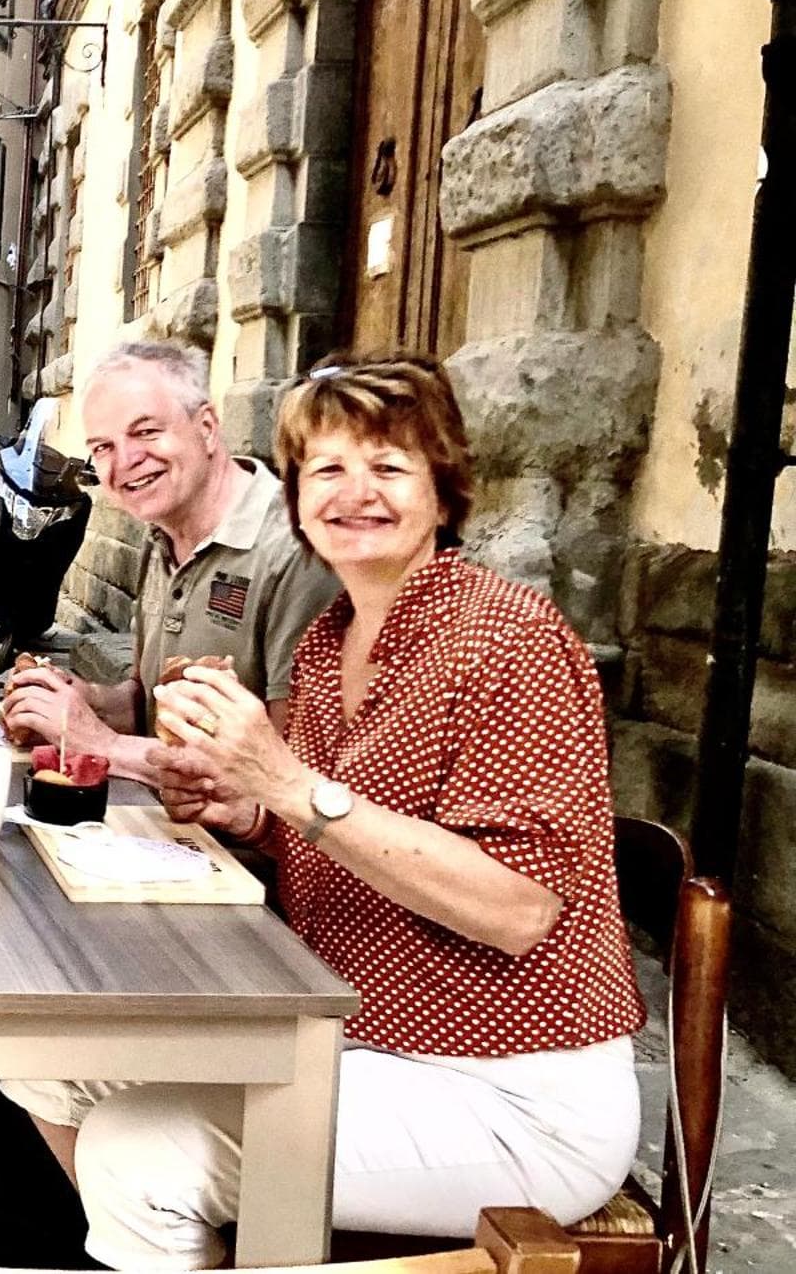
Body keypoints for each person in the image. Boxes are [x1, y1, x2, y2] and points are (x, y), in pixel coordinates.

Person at [57, 354, 647, 1270]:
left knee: (137, 1152)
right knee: (61, 1063)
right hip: (353, 1032)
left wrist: (286, 784)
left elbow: (519, 909)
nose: (354, 492)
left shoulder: (509, 639)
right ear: (296, 498)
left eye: (389, 466)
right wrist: (247, 812)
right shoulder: (333, 642)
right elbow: (333, 833)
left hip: (507, 1090)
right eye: (327, 468)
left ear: (444, 492)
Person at [1, 340, 339, 781]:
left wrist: (99, 742)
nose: (126, 460)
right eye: (103, 447)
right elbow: (150, 704)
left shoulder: (296, 550)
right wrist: (88, 700)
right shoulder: (162, 532)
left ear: (207, 427)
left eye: (146, 432)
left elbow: (289, 772)